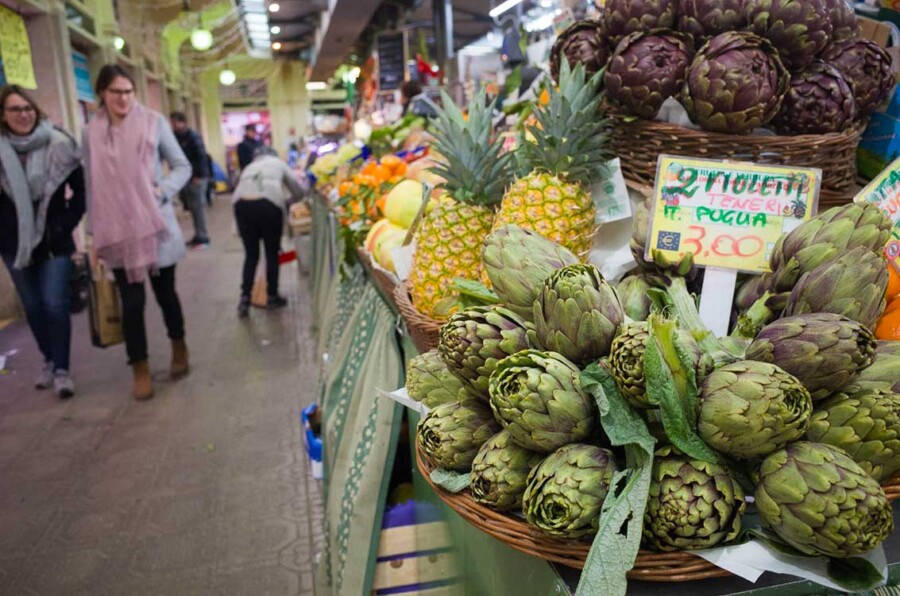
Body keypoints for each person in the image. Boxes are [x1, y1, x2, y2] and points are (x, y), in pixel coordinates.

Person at [83, 64, 192, 401]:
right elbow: (91, 185)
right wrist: (93, 234)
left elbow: (183, 165)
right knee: (131, 305)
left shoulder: (153, 122)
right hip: (117, 231)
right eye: (116, 91)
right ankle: (140, 368)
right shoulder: (91, 131)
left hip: (155, 227)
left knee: (165, 295)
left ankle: (179, 346)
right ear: (102, 92)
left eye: (129, 91)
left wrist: (162, 190)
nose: (124, 98)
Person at [0, 85, 83, 398]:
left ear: (35, 110)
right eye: (14, 110)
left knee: (54, 303)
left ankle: (62, 369)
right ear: (3, 115)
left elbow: (81, 191)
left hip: (53, 241)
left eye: (27, 108)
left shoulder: (59, 144)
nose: (23, 115)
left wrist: (65, 225)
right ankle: (48, 359)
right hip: (13, 244)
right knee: (33, 306)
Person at [231, 145, 304, 317]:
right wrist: (290, 200)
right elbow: (297, 188)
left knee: (251, 255)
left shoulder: (249, 167)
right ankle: (272, 296)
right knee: (271, 252)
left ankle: (244, 298)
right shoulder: (278, 163)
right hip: (268, 204)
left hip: (241, 205)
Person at [170, 111, 211, 247]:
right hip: (187, 177)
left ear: (183, 122)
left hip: (197, 177)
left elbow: (201, 157)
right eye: (172, 122)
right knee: (193, 208)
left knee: (198, 208)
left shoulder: (192, 136)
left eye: (176, 122)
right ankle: (198, 235)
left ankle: (203, 237)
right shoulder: (176, 137)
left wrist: (199, 176)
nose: (173, 125)